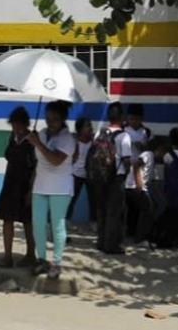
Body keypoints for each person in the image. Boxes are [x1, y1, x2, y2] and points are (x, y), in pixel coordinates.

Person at [27, 100, 76, 278]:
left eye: (54, 119)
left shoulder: (67, 139)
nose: (50, 122)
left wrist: (38, 144)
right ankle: (41, 259)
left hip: (60, 187)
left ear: (63, 119)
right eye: (48, 118)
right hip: (41, 184)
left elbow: (56, 160)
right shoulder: (41, 133)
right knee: (38, 224)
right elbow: (38, 162)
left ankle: (56, 262)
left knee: (57, 224)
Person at [0, 106, 37, 268]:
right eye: (14, 125)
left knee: (28, 221)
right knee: (7, 219)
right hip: (10, 183)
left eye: (19, 125)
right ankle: (7, 256)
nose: (16, 128)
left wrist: (31, 191)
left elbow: (37, 167)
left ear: (25, 124)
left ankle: (31, 254)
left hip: (26, 185)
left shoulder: (33, 139)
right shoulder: (13, 137)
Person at [90, 102, 130, 255]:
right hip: (116, 178)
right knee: (114, 212)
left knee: (101, 210)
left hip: (100, 178)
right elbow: (126, 160)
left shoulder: (100, 133)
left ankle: (100, 242)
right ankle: (111, 245)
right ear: (122, 117)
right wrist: (125, 174)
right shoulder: (124, 136)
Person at [65, 116, 95, 226]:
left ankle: (93, 222)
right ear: (80, 129)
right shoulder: (74, 141)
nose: (90, 128)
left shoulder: (94, 142)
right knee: (71, 199)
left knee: (93, 200)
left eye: (90, 126)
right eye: (87, 126)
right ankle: (67, 220)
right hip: (76, 174)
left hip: (90, 175)